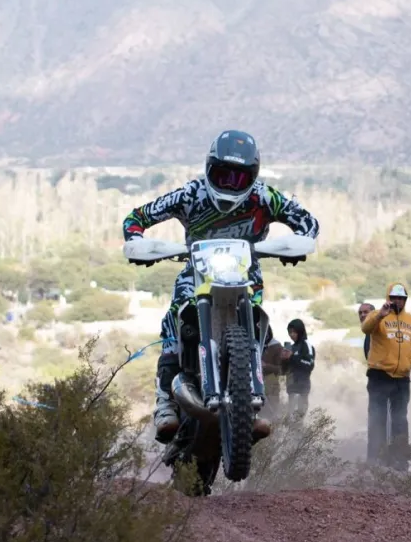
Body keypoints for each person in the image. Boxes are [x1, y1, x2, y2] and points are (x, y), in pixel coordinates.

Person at [122, 129, 321, 443]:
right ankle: (164, 404)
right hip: (196, 275)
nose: (229, 183)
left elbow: (308, 222)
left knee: (262, 330)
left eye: (238, 178)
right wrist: (136, 241)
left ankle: (255, 407)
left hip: (246, 276)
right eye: (222, 174)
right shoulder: (191, 194)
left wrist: (299, 243)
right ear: (209, 169)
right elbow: (138, 216)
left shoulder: (265, 197)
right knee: (173, 322)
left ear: (252, 176)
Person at [360, 283, 411, 469]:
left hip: (402, 378)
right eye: (394, 298)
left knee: (400, 420)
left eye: (401, 298)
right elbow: (366, 329)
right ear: (388, 298)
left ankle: (400, 460)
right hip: (379, 375)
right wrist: (380, 314)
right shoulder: (377, 315)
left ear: (405, 299)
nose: (398, 301)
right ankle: (374, 460)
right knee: (377, 418)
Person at [281, 319, 315, 416]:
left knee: (299, 418)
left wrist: (293, 357)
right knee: (291, 421)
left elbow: (309, 365)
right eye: (290, 332)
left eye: (294, 331)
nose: (292, 334)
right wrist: (283, 360)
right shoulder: (291, 347)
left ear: (300, 331)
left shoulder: (306, 345)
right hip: (291, 389)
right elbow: (284, 371)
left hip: (302, 389)